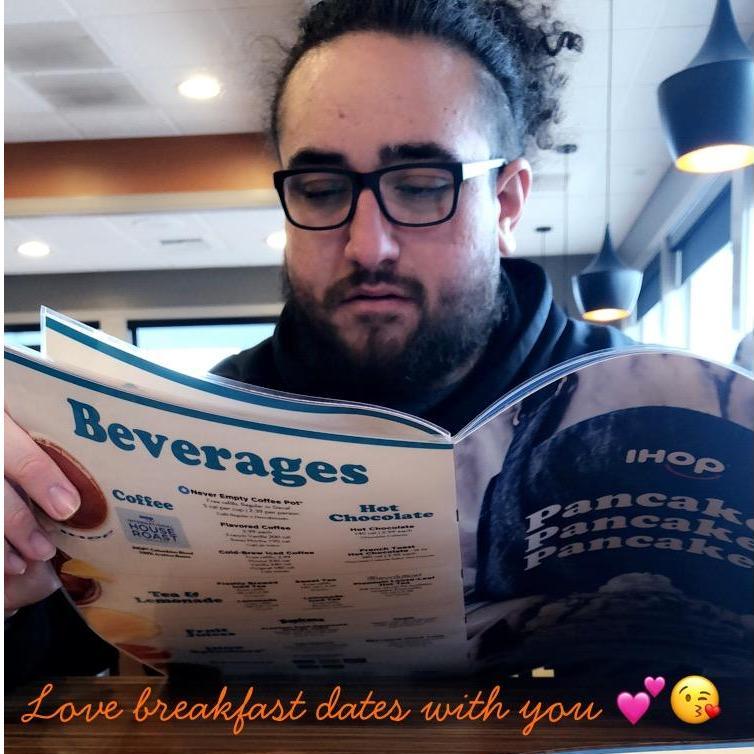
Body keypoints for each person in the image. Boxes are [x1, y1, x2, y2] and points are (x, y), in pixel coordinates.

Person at [4, 0, 632, 687]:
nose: (368, 246)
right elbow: (59, 674)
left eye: (422, 188)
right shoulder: (197, 424)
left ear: (506, 205)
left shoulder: (633, 398)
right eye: (322, 188)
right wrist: (17, 590)